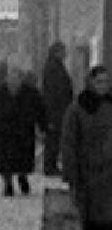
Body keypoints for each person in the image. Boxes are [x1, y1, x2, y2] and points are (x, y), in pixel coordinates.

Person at [60, 65, 112, 230]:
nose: (103, 86)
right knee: (91, 217)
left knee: (109, 216)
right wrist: (71, 172)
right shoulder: (78, 108)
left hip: (110, 172)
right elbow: (69, 141)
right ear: (90, 83)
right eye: (99, 82)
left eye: (106, 82)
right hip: (88, 172)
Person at [0, 62, 47, 197]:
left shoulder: (31, 93)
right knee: (5, 160)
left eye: (16, 78)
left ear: (21, 79)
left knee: (23, 159)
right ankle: (8, 183)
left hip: (23, 132)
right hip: (5, 133)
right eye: (10, 78)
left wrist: (43, 127)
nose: (13, 81)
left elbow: (40, 110)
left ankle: (22, 177)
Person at [41, 41, 74, 177]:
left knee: (55, 139)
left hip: (58, 109)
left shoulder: (54, 66)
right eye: (63, 51)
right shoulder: (53, 68)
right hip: (56, 111)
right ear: (57, 52)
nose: (65, 54)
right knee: (53, 139)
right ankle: (50, 166)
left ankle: (51, 165)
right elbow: (54, 92)